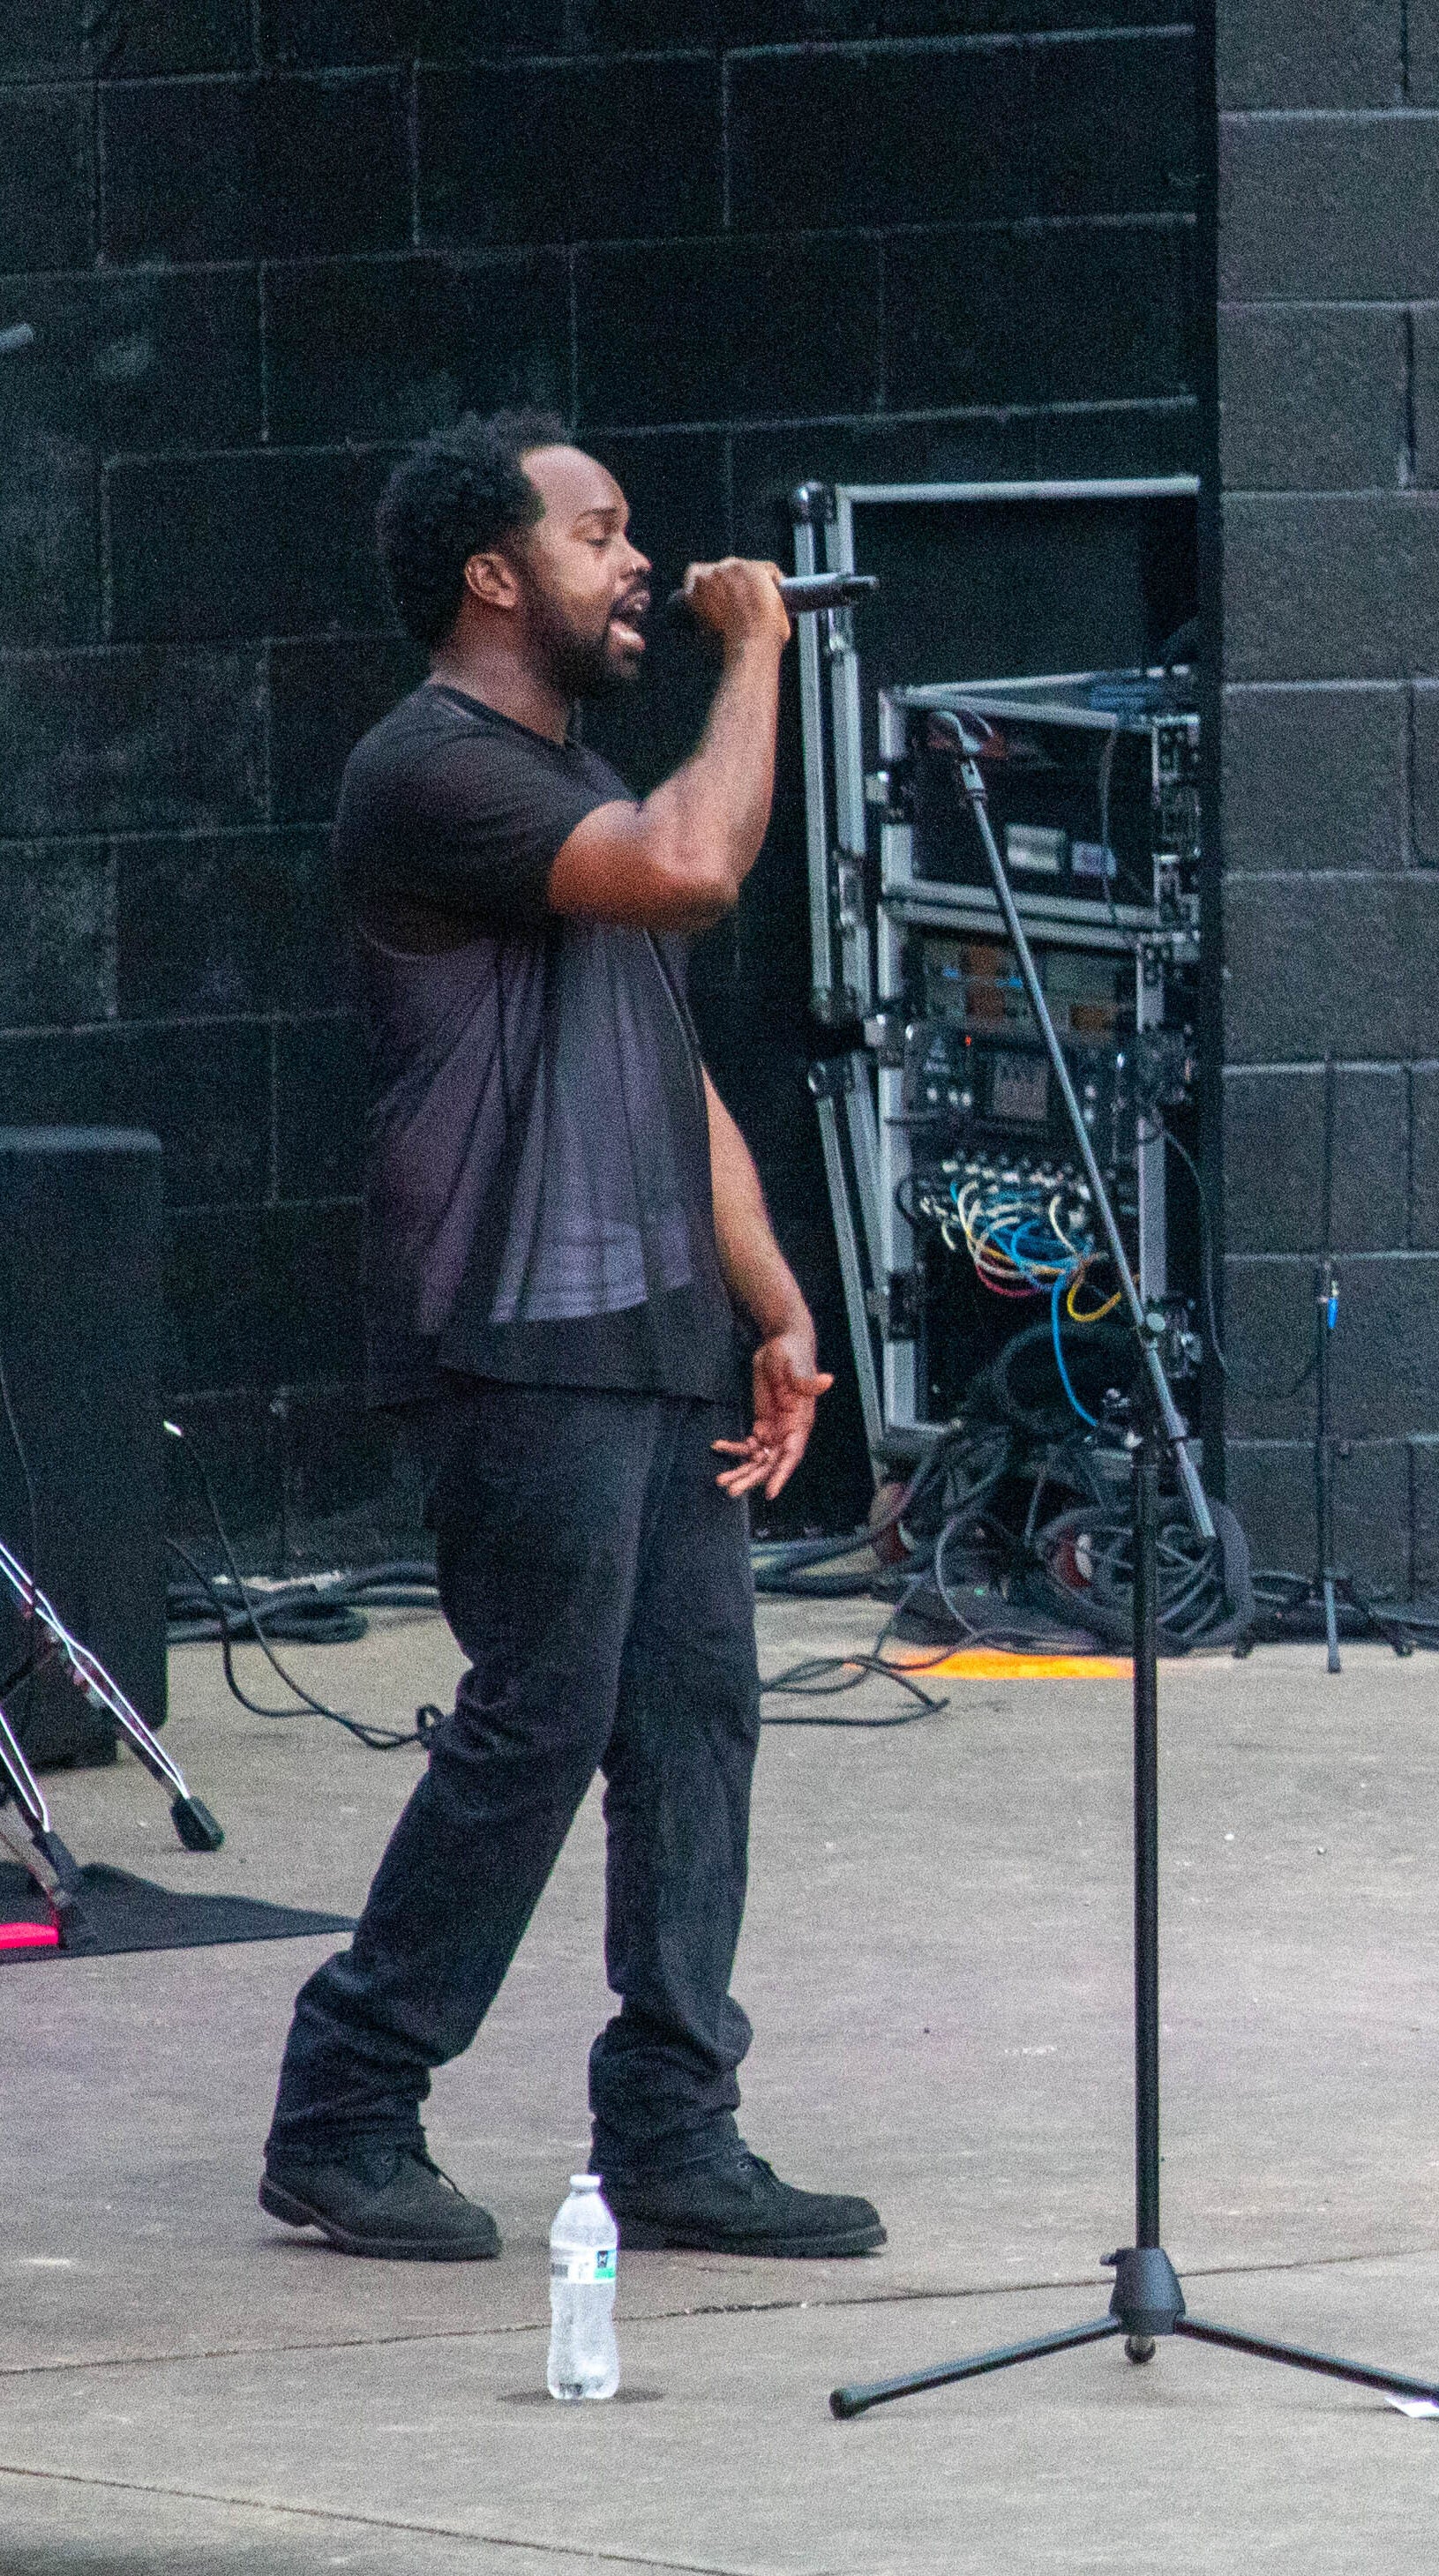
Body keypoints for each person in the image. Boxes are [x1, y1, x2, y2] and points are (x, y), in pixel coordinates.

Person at [259, 413, 882, 2263]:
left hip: (650, 1326)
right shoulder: (433, 772)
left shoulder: (573, 779)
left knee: (693, 1722)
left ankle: (676, 2121)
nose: (637, 567)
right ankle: (346, 2101)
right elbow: (695, 867)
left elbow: (664, 1070)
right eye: (597, 534)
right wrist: (762, 650)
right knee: (540, 1722)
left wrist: (767, 1289)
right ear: (492, 570)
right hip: (514, 1339)